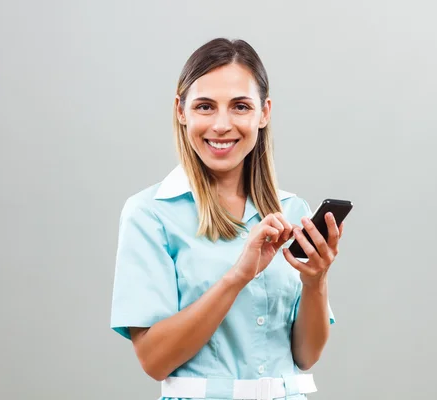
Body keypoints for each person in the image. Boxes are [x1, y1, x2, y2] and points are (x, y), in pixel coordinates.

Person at [110, 37, 345, 400]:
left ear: (264, 113)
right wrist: (237, 276)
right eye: (205, 106)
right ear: (181, 111)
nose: (222, 125)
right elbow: (154, 360)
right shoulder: (150, 214)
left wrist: (316, 282)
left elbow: (306, 356)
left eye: (240, 106)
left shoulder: (292, 211)